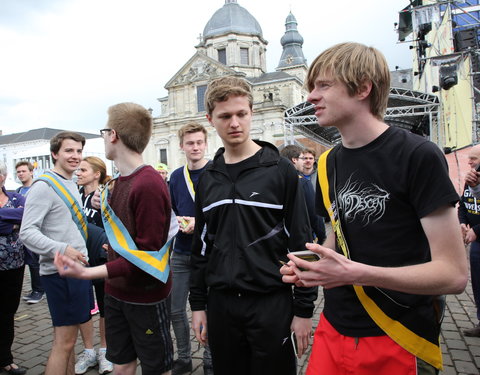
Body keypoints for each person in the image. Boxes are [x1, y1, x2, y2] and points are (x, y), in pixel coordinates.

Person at [280, 42, 468, 375]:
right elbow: (339, 237)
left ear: (363, 88)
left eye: (323, 85)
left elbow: (453, 274)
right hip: (334, 329)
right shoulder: (326, 164)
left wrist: (356, 273)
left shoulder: (418, 155)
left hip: (399, 335)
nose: (310, 96)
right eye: (311, 87)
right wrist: (314, 265)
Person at [189, 76, 317, 375]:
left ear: (251, 113)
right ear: (210, 119)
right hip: (221, 306)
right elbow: (201, 247)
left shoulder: (280, 170)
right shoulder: (208, 178)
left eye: (241, 114)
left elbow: (302, 241)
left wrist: (303, 311)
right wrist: (198, 305)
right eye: (225, 116)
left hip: (271, 304)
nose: (234, 123)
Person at [54, 102, 174, 375]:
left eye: (105, 131)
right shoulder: (116, 183)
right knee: (121, 365)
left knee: (156, 368)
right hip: (116, 293)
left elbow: (147, 257)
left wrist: (87, 273)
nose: (104, 136)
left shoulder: (149, 183)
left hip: (146, 297)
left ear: (114, 135)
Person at [20, 131, 91, 375]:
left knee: (69, 343)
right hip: (61, 274)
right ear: (54, 154)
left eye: (79, 151)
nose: (75, 156)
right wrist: (62, 249)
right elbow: (27, 233)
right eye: (69, 151)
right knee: (64, 343)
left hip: (75, 272)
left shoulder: (70, 182)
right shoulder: (44, 186)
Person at [168, 122, 213, 375]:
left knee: (209, 309)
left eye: (199, 142)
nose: (195, 147)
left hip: (209, 255)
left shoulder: (216, 172)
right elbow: (171, 210)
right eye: (190, 143)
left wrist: (201, 223)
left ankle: (209, 359)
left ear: (205, 144)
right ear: (181, 146)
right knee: (175, 309)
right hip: (182, 252)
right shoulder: (176, 176)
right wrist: (178, 222)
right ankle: (184, 357)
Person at [75, 156, 113, 374]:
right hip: (80, 256)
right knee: (84, 305)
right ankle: (89, 351)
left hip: (100, 259)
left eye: (83, 170)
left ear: (96, 174)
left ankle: (105, 350)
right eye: (78, 170)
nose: (78, 173)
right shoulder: (77, 194)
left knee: (105, 305)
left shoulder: (103, 194)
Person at [0, 161, 27, 375]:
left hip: (14, 265)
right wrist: (12, 224)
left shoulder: (16, 197)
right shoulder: (14, 203)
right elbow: (17, 218)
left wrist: (6, 221)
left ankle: (6, 359)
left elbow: (26, 214)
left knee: (8, 313)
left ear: (2, 177)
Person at [280, 145, 325, 243]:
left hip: (279, 239)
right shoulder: (302, 182)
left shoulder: (275, 180)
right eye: (302, 158)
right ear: (294, 160)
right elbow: (314, 213)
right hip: (299, 238)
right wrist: (322, 237)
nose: (304, 162)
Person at [16, 161, 45, 304]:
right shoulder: (18, 191)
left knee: (35, 261)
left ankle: (39, 290)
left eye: (23, 171)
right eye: (18, 172)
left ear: (31, 172)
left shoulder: (37, 189)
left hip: (35, 231)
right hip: (22, 232)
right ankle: (36, 288)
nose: (21, 174)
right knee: (29, 261)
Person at [458, 145, 480, 337]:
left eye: (473, 158)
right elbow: (463, 205)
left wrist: (476, 230)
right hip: (476, 242)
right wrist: (463, 223)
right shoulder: (471, 181)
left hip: (477, 236)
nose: (470, 162)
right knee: (478, 283)